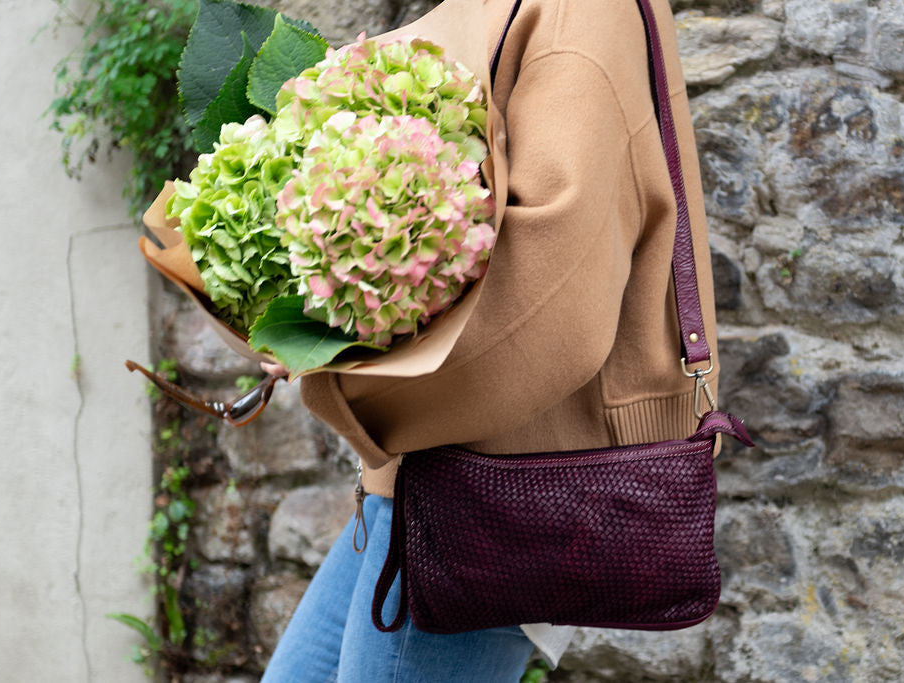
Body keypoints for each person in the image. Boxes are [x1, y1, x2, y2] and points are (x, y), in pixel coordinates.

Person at [261, 0, 719, 679]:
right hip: (428, 479)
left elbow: (552, 307)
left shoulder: (579, 14)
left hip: (500, 489)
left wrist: (349, 387)